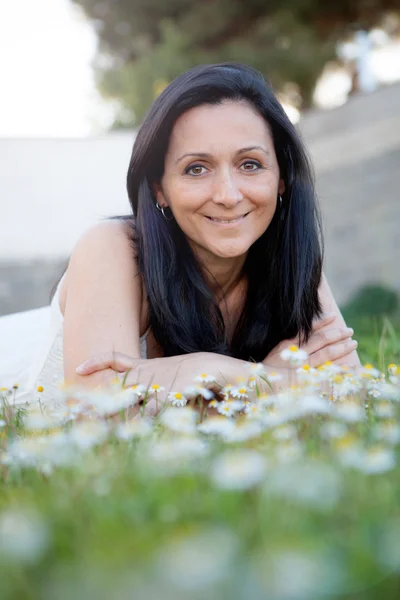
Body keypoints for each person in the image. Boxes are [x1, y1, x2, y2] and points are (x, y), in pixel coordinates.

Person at [0, 62, 360, 413]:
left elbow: (350, 396)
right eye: (196, 169)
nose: (228, 195)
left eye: (250, 164)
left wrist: (217, 379)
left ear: (281, 178)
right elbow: (102, 423)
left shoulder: (290, 258)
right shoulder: (112, 248)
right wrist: (265, 380)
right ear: (160, 189)